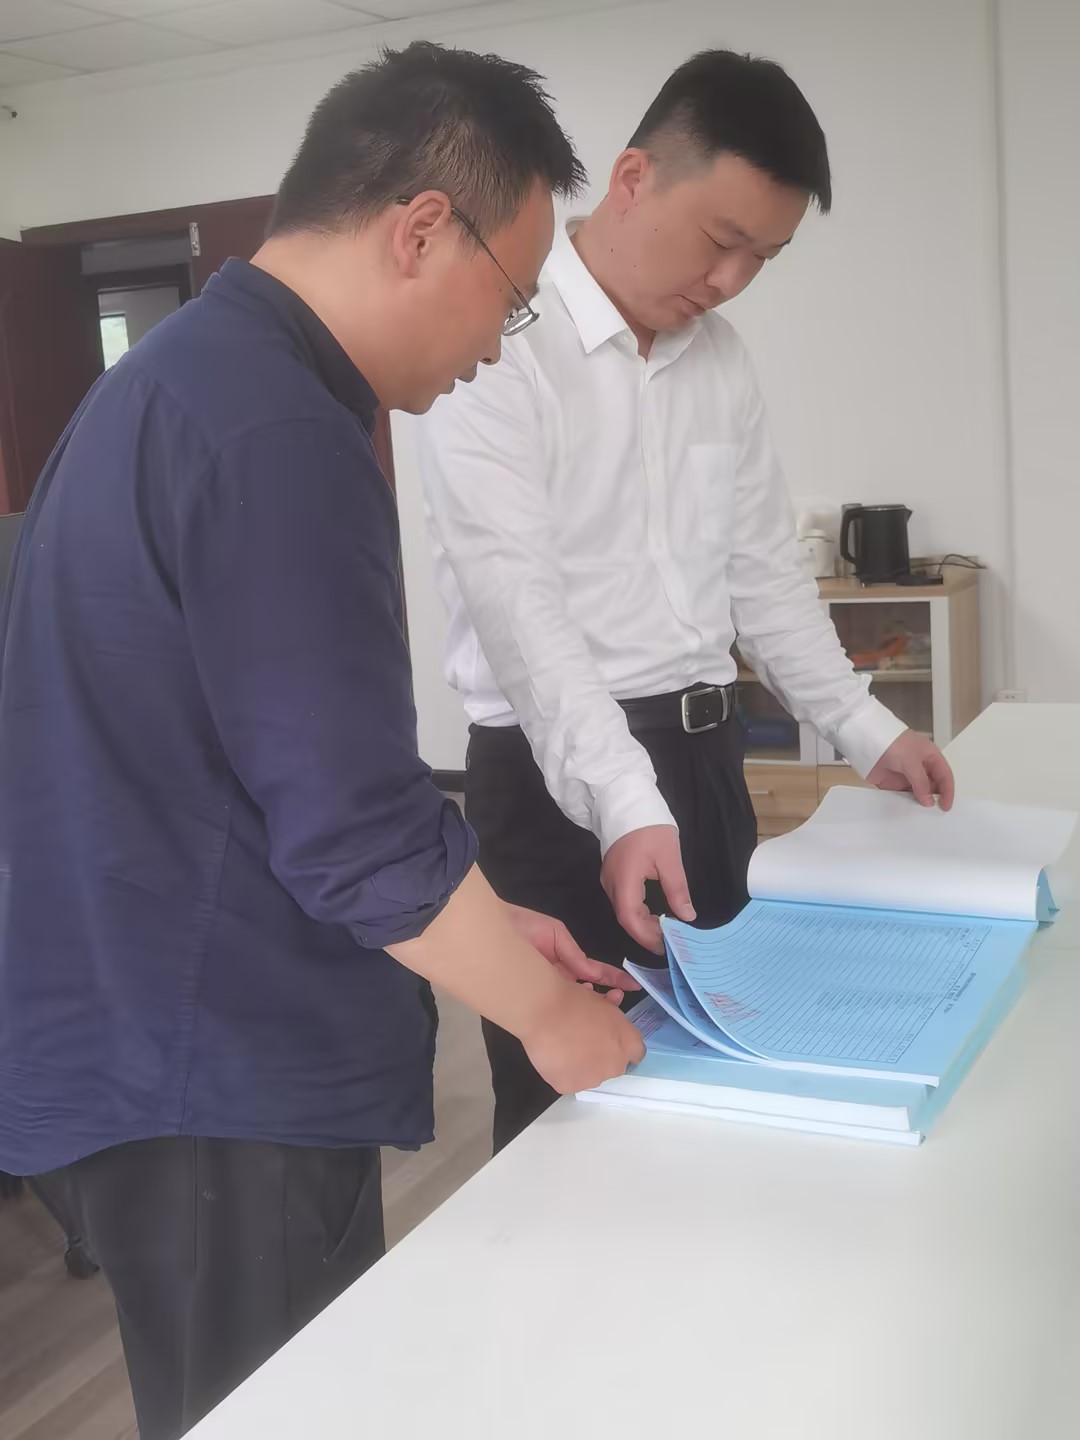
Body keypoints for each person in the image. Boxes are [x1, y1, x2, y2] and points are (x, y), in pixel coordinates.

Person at [0, 43, 643, 1440]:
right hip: (216, 1072)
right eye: (510, 298)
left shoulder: (183, 379)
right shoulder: (273, 426)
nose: (498, 344)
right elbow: (355, 833)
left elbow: (254, 760)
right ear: (422, 229)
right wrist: (551, 1022)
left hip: (154, 1040)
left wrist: (492, 924)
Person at [418, 48, 956, 1153]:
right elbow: (522, 612)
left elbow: (762, 575)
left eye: (764, 258)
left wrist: (866, 728)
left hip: (706, 768)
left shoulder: (722, 361)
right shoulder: (503, 339)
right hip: (553, 785)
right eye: (721, 240)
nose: (730, 281)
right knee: (573, 1118)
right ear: (633, 179)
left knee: (724, 1085)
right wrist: (623, 799)